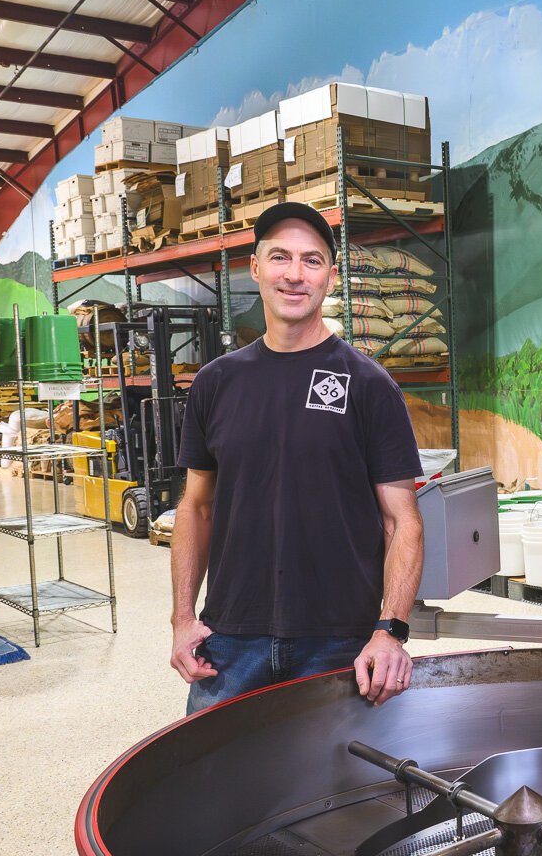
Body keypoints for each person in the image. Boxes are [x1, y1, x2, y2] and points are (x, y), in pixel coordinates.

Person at [170, 201, 425, 713]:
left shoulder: (370, 386)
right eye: (280, 257)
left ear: (331, 277)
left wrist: (390, 630)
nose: (294, 274)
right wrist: (182, 618)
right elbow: (195, 507)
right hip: (230, 641)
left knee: (339, 791)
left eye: (311, 261)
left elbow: (403, 522)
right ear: (256, 268)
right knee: (216, 788)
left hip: (339, 643)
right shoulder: (215, 383)